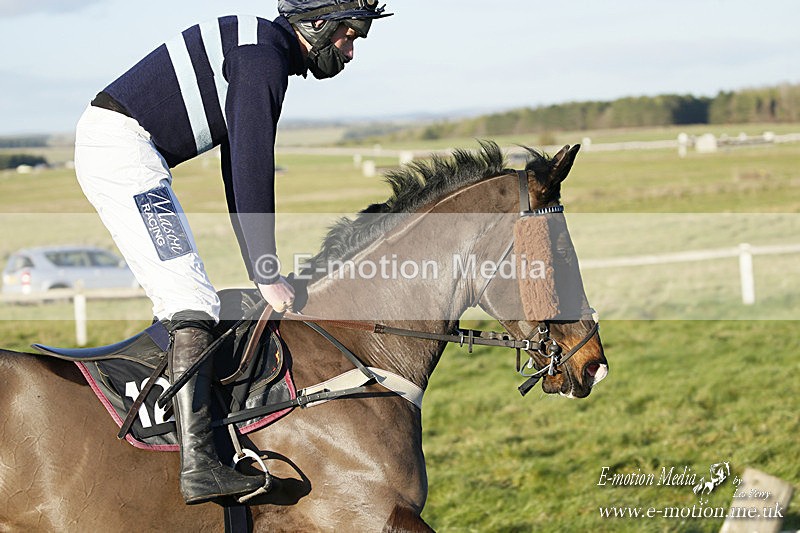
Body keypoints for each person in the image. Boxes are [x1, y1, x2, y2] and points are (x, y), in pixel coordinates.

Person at [73, 0, 392, 504]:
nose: (350, 52)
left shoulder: (262, 48)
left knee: (192, 298)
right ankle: (200, 465)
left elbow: (236, 167)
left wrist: (260, 264)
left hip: (127, 149)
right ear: (318, 24)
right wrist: (266, 271)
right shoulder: (262, 58)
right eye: (349, 36)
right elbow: (250, 166)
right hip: (123, 153)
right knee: (191, 303)